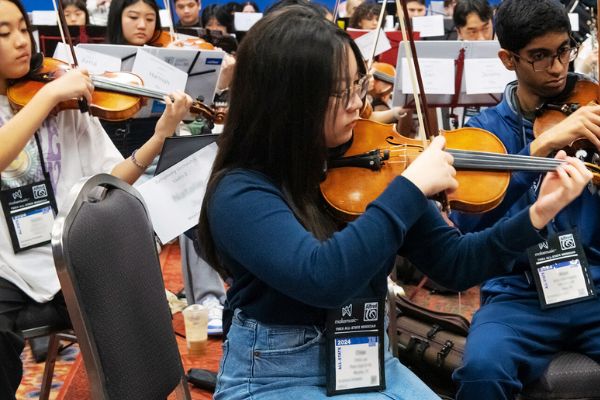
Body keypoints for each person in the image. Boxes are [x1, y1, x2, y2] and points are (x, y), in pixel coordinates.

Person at [197, 6, 591, 399]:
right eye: (339, 92)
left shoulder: (373, 166)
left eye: (358, 84)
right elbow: (323, 279)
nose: (358, 104)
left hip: (369, 363)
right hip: (274, 375)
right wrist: (409, 188)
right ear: (287, 101)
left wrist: (538, 214)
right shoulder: (240, 190)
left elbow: (456, 264)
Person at [0, 0, 192, 398]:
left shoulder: (65, 97)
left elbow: (106, 183)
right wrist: (48, 97)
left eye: (23, 28)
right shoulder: (53, 93)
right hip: (7, 271)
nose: (21, 41)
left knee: (139, 317)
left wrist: (158, 138)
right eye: (4, 34)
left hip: (70, 258)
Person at [450, 1, 600, 399]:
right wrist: (539, 148)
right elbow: (468, 228)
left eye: (565, 50)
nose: (558, 67)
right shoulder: (483, 132)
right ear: (507, 59)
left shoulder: (591, 108)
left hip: (595, 286)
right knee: (482, 369)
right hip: (518, 294)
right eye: (540, 56)